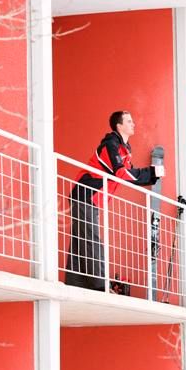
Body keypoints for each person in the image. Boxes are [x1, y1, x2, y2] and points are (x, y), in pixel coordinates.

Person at [65, 111, 164, 291]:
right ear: (119, 126)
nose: (133, 124)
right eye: (129, 121)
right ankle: (99, 285)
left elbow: (129, 174)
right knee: (91, 239)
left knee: (82, 238)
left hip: (91, 197)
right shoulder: (111, 144)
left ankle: (75, 282)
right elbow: (121, 173)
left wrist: (151, 177)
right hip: (86, 193)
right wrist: (151, 173)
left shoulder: (124, 149)